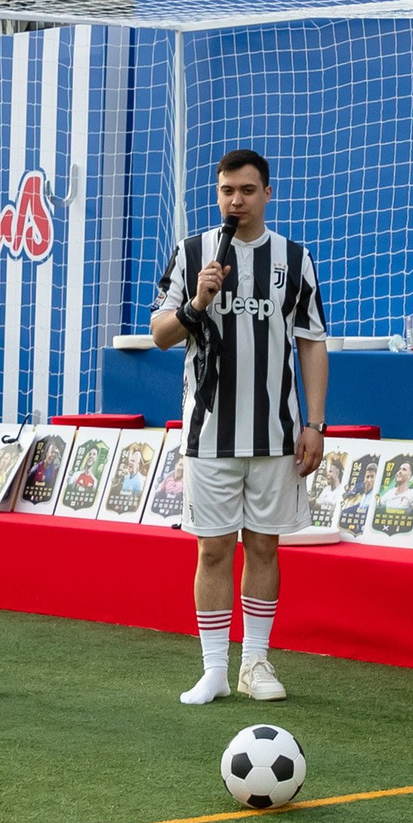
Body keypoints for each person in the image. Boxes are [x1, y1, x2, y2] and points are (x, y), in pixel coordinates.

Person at [150, 148, 329, 705]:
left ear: (266, 193)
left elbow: (312, 342)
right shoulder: (192, 252)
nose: (236, 200)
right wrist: (198, 300)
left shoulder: (293, 257)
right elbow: (159, 332)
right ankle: (213, 670)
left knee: (265, 548)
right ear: (219, 192)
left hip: (277, 432)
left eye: (247, 190)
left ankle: (255, 662)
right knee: (212, 550)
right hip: (209, 431)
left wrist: (316, 423)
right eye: (227, 190)